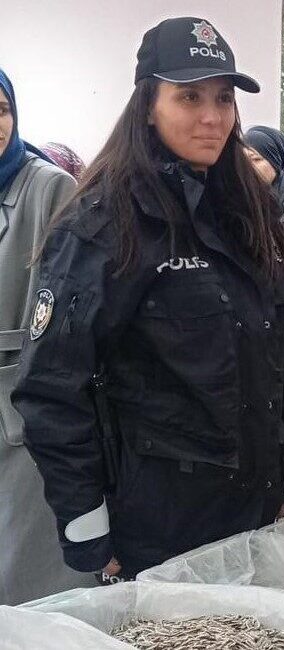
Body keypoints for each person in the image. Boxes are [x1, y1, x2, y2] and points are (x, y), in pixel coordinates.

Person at [11, 17, 284, 582]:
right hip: (157, 528)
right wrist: (88, 529)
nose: (212, 116)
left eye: (224, 98)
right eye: (189, 96)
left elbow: (278, 359)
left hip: (254, 514)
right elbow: (52, 389)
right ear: (148, 103)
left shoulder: (247, 213)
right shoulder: (104, 223)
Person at [0, 68, 93, 604]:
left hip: (18, 418)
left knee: (29, 589)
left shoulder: (47, 187)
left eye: (0, 108)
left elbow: (62, 320)